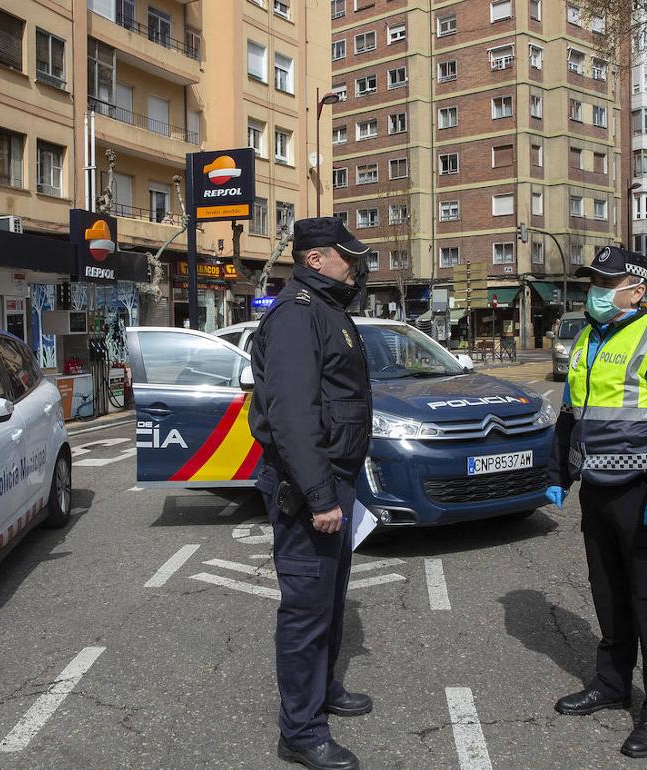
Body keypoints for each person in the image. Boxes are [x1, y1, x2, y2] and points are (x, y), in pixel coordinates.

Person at [544, 246, 647, 759]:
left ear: (637, 289)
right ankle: (611, 684)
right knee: (608, 596)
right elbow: (571, 417)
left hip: (642, 495)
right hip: (597, 491)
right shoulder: (588, 338)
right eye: (594, 281)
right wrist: (558, 476)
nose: (597, 290)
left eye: (607, 282)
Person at [248, 217, 373, 770]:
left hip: (334, 477)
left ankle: (321, 691)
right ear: (315, 259)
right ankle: (300, 731)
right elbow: (293, 416)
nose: (357, 265)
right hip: (310, 486)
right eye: (347, 257)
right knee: (306, 607)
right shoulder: (299, 316)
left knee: (329, 597)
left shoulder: (326, 309)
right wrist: (321, 496)